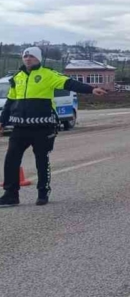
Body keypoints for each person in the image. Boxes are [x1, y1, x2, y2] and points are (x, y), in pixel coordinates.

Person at [0, 47, 107, 207]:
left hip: (42, 126)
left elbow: (69, 83)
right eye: (25, 56)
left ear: (38, 58)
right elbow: (9, 102)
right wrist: (2, 122)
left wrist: (91, 89)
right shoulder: (17, 77)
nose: (28, 58)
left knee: (41, 160)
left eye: (31, 56)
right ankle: (11, 195)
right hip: (20, 127)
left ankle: (43, 192)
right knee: (11, 160)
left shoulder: (48, 74)